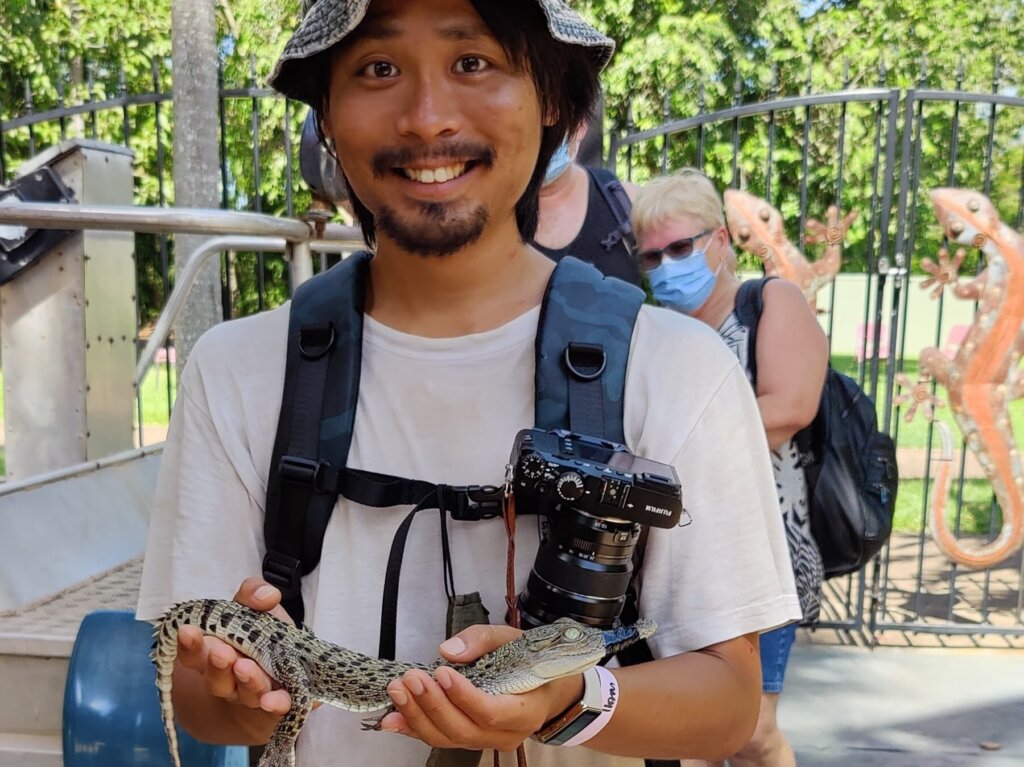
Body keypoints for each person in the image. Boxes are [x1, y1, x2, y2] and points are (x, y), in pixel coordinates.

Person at [135, 3, 801, 766]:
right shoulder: (237, 372)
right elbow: (206, 705)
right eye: (378, 69)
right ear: (327, 112)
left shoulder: (679, 371)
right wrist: (245, 694)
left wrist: (571, 700)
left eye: (473, 62)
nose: (425, 118)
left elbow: (728, 704)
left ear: (552, 99)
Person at [631, 169, 829, 767]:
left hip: (753, 556)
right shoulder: (657, 333)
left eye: (681, 247)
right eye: (652, 256)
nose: (666, 266)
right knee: (686, 729)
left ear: (720, 240)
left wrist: (677, 445)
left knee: (751, 733)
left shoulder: (770, 303)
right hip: (673, 557)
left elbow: (791, 406)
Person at [532, 122, 643, 286]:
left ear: (580, 126)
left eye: (553, 125)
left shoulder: (626, 201)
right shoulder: (491, 211)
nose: (542, 139)